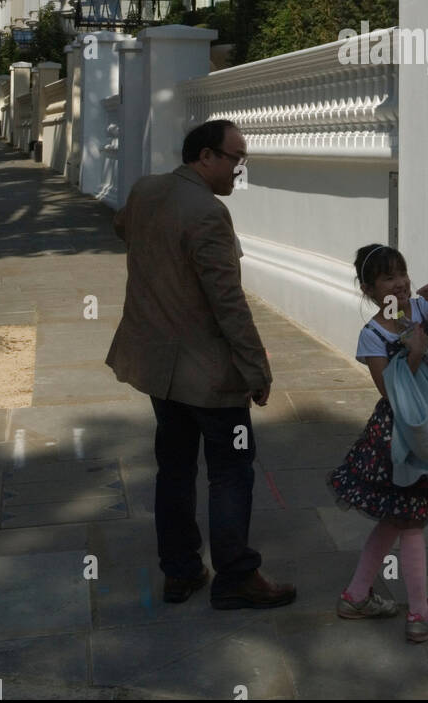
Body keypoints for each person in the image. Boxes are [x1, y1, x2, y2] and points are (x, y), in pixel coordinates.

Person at [105, 118, 296, 610]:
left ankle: (182, 572)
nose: (239, 169)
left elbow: (121, 226)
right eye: (235, 158)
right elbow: (228, 301)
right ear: (205, 156)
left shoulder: (147, 190)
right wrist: (257, 368)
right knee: (231, 470)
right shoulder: (208, 214)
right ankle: (235, 576)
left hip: (156, 370)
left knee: (174, 468)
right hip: (208, 377)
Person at [328, 244, 428, 643]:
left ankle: (356, 595)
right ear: (370, 290)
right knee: (410, 520)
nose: (401, 282)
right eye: (389, 277)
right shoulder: (372, 334)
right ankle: (420, 614)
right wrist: (414, 356)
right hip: (402, 435)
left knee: (397, 518)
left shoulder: (421, 311)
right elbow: (390, 391)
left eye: (402, 272)